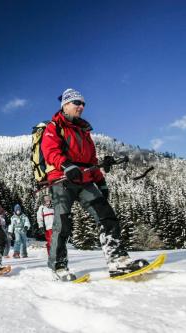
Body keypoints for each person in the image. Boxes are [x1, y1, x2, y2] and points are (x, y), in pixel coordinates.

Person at [41, 88, 148, 280]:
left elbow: (91, 161)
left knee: (107, 216)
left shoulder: (84, 131)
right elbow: (50, 151)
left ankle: (117, 261)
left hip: (84, 180)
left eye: (83, 104)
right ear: (65, 105)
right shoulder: (54, 127)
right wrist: (66, 165)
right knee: (62, 223)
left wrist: (101, 181)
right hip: (62, 180)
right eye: (77, 103)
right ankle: (58, 266)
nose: (81, 107)